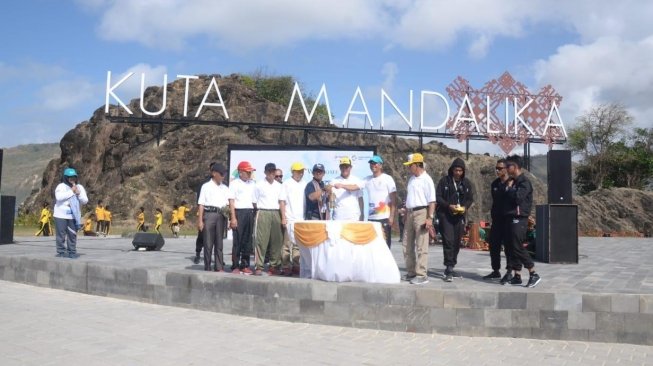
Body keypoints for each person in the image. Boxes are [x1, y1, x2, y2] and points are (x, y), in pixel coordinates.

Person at [501, 154, 541, 288]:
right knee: (511, 247)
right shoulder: (512, 182)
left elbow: (518, 198)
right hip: (509, 218)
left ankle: (533, 273)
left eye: (508, 166)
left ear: (515, 167)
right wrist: (507, 186)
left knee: (517, 246)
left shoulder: (524, 183)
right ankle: (517, 275)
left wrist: (510, 188)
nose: (506, 169)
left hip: (519, 219)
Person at [436, 157, 475, 282]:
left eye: (460, 170)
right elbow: (438, 197)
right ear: (452, 170)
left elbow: (470, 199)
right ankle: (448, 267)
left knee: (457, 242)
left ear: (463, 171)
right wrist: (448, 206)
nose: (458, 172)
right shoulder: (444, 181)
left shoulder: (466, 183)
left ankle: (452, 265)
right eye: (456, 170)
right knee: (449, 241)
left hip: (459, 216)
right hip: (446, 215)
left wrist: (465, 207)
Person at [402, 153, 436, 285]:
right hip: (410, 212)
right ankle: (411, 272)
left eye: (410, 165)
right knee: (406, 244)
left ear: (417, 165)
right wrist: (405, 214)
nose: (409, 167)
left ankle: (422, 274)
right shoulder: (411, 179)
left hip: (422, 212)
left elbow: (432, 201)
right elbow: (409, 198)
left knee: (421, 244)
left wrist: (430, 218)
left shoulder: (427, 179)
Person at [197, 162, 232, 272]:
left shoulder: (225, 188)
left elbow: (228, 204)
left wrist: (230, 218)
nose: (223, 176)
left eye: (224, 174)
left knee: (219, 242)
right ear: (214, 173)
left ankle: (219, 266)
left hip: (221, 215)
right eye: (221, 174)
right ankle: (207, 266)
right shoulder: (206, 186)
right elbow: (201, 204)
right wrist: (200, 221)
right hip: (209, 214)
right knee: (208, 242)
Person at [253, 163, 284, 276]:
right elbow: (254, 201)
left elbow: (281, 201)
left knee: (277, 241)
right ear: (265, 172)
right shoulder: (259, 185)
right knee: (261, 240)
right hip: (263, 211)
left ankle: (273, 265)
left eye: (273, 172)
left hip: (276, 212)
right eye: (269, 172)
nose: (271, 174)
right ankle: (259, 266)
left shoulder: (279, 185)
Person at [483, 159, 509, 280]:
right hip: (497, 220)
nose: (497, 170)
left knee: (509, 247)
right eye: (496, 168)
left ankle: (509, 271)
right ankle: (495, 270)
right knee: (493, 245)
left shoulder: (512, 182)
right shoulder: (495, 184)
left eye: (500, 168)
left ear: (506, 169)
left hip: (508, 220)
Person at [229, 161, 257, 274]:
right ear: (240, 172)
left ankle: (245, 264)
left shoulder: (253, 184)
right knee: (238, 240)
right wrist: (233, 218)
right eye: (247, 171)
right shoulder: (235, 183)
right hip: (239, 212)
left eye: (250, 172)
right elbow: (231, 201)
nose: (250, 173)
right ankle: (235, 265)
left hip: (250, 212)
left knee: (247, 240)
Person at [53, 168, 88, 258]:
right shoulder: (61, 186)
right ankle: (61, 251)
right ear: (65, 178)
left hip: (73, 215)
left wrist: (78, 193)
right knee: (61, 234)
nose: (72, 179)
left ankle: (72, 251)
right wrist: (71, 191)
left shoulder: (79, 187)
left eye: (74, 177)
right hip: (60, 214)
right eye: (70, 177)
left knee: (72, 234)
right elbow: (59, 197)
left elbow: (85, 201)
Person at [364, 155, 397, 248]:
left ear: (381, 165)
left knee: (385, 246)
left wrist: (391, 217)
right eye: (371, 163)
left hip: (384, 217)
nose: (372, 165)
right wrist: (339, 185)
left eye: (375, 163)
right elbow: (355, 186)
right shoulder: (367, 179)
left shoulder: (388, 179)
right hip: (371, 218)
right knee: (372, 246)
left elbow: (394, 199)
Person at [279, 162, 306, 276]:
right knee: (286, 244)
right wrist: (284, 217)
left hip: (301, 219)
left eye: (302, 171)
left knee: (298, 244)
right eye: (298, 171)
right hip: (290, 218)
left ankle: (296, 265)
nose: (300, 173)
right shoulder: (286, 183)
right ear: (293, 172)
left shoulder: (305, 184)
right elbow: (282, 201)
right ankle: (285, 266)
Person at [329, 157, 364, 221]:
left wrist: (362, 215)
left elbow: (360, 199)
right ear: (340, 168)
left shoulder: (357, 180)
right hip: (338, 217)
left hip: (354, 217)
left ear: (350, 167)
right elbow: (332, 199)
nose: (344, 169)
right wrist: (332, 210)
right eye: (342, 167)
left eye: (347, 167)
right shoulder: (333, 181)